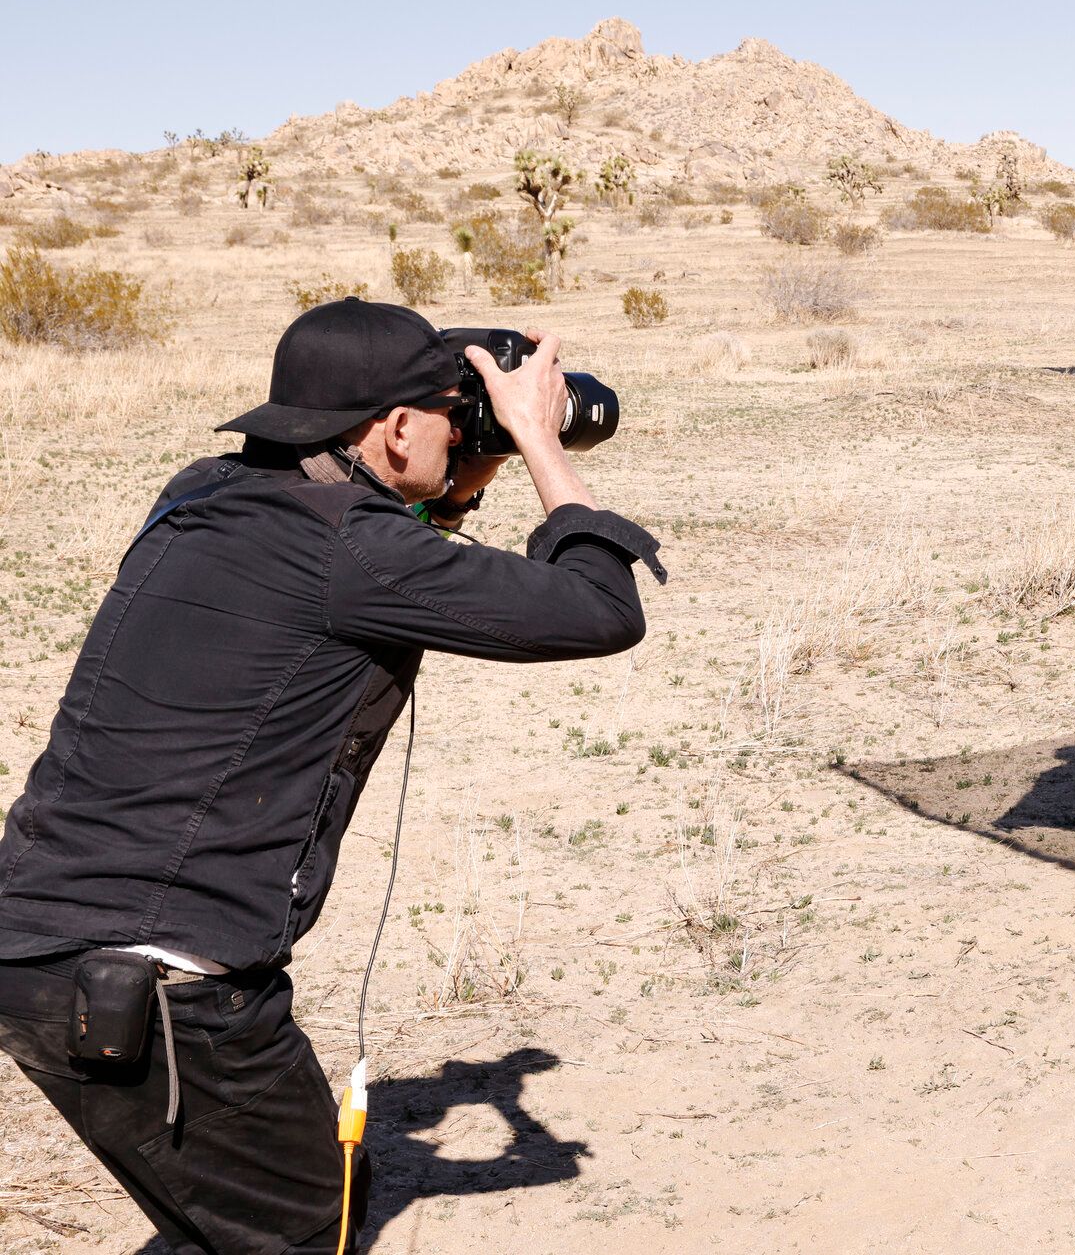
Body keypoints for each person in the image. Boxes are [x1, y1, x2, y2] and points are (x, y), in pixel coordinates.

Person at [0, 299, 665, 1255]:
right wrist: (534, 438)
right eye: (449, 415)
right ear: (397, 429)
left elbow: (383, 530)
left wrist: (464, 466)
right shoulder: (354, 550)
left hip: (38, 945)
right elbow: (598, 609)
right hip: (158, 984)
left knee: (230, 1222)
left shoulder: (199, 492)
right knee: (314, 1229)